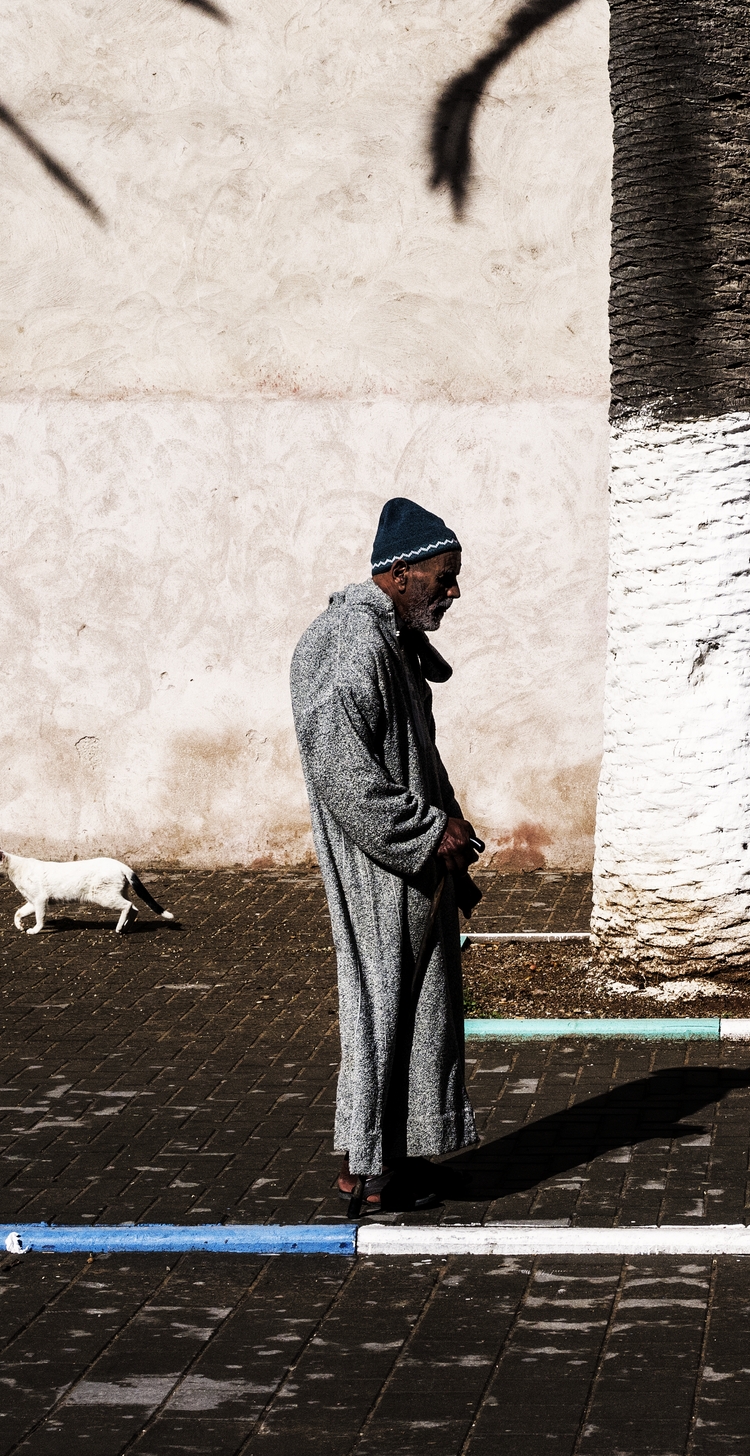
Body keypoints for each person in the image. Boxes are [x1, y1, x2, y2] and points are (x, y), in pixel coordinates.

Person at [290, 498, 483, 1214]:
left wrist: (448, 820)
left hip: (411, 865)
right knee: (382, 1010)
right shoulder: (352, 644)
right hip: (381, 869)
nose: (453, 591)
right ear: (399, 574)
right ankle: (365, 1174)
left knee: (419, 1009)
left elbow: (410, 756)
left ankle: (394, 1160)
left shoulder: (388, 640)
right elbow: (342, 770)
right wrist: (425, 831)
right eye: (444, 576)